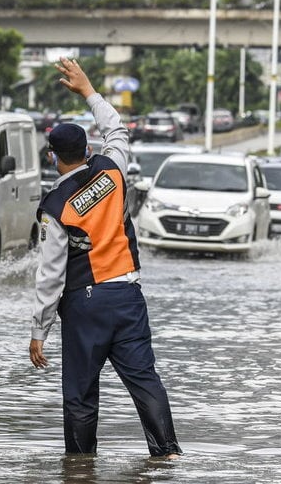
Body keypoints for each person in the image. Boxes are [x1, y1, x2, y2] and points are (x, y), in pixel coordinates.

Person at [29, 57, 181, 460]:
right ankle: (167, 454)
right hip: (129, 298)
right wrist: (88, 90)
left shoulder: (55, 206)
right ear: (87, 148)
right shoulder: (113, 169)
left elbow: (50, 275)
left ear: (52, 157)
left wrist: (39, 330)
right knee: (145, 380)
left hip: (85, 305)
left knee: (80, 395)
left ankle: (80, 468)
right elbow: (116, 127)